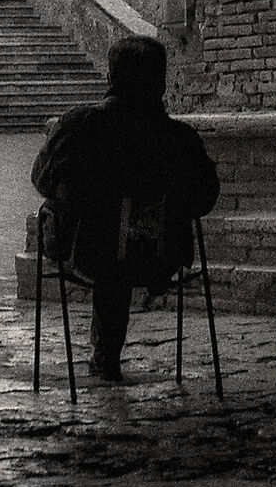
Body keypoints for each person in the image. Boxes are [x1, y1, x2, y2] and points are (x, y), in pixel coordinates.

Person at [31, 36, 220, 382]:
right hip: (162, 256)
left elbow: (42, 179)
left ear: (110, 77)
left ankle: (104, 355)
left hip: (87, 253)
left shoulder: (79, 126)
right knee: (125, 245)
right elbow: (205, 197)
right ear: (162, 82)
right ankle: (108, 350)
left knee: (110, 251)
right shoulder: (181, 139)